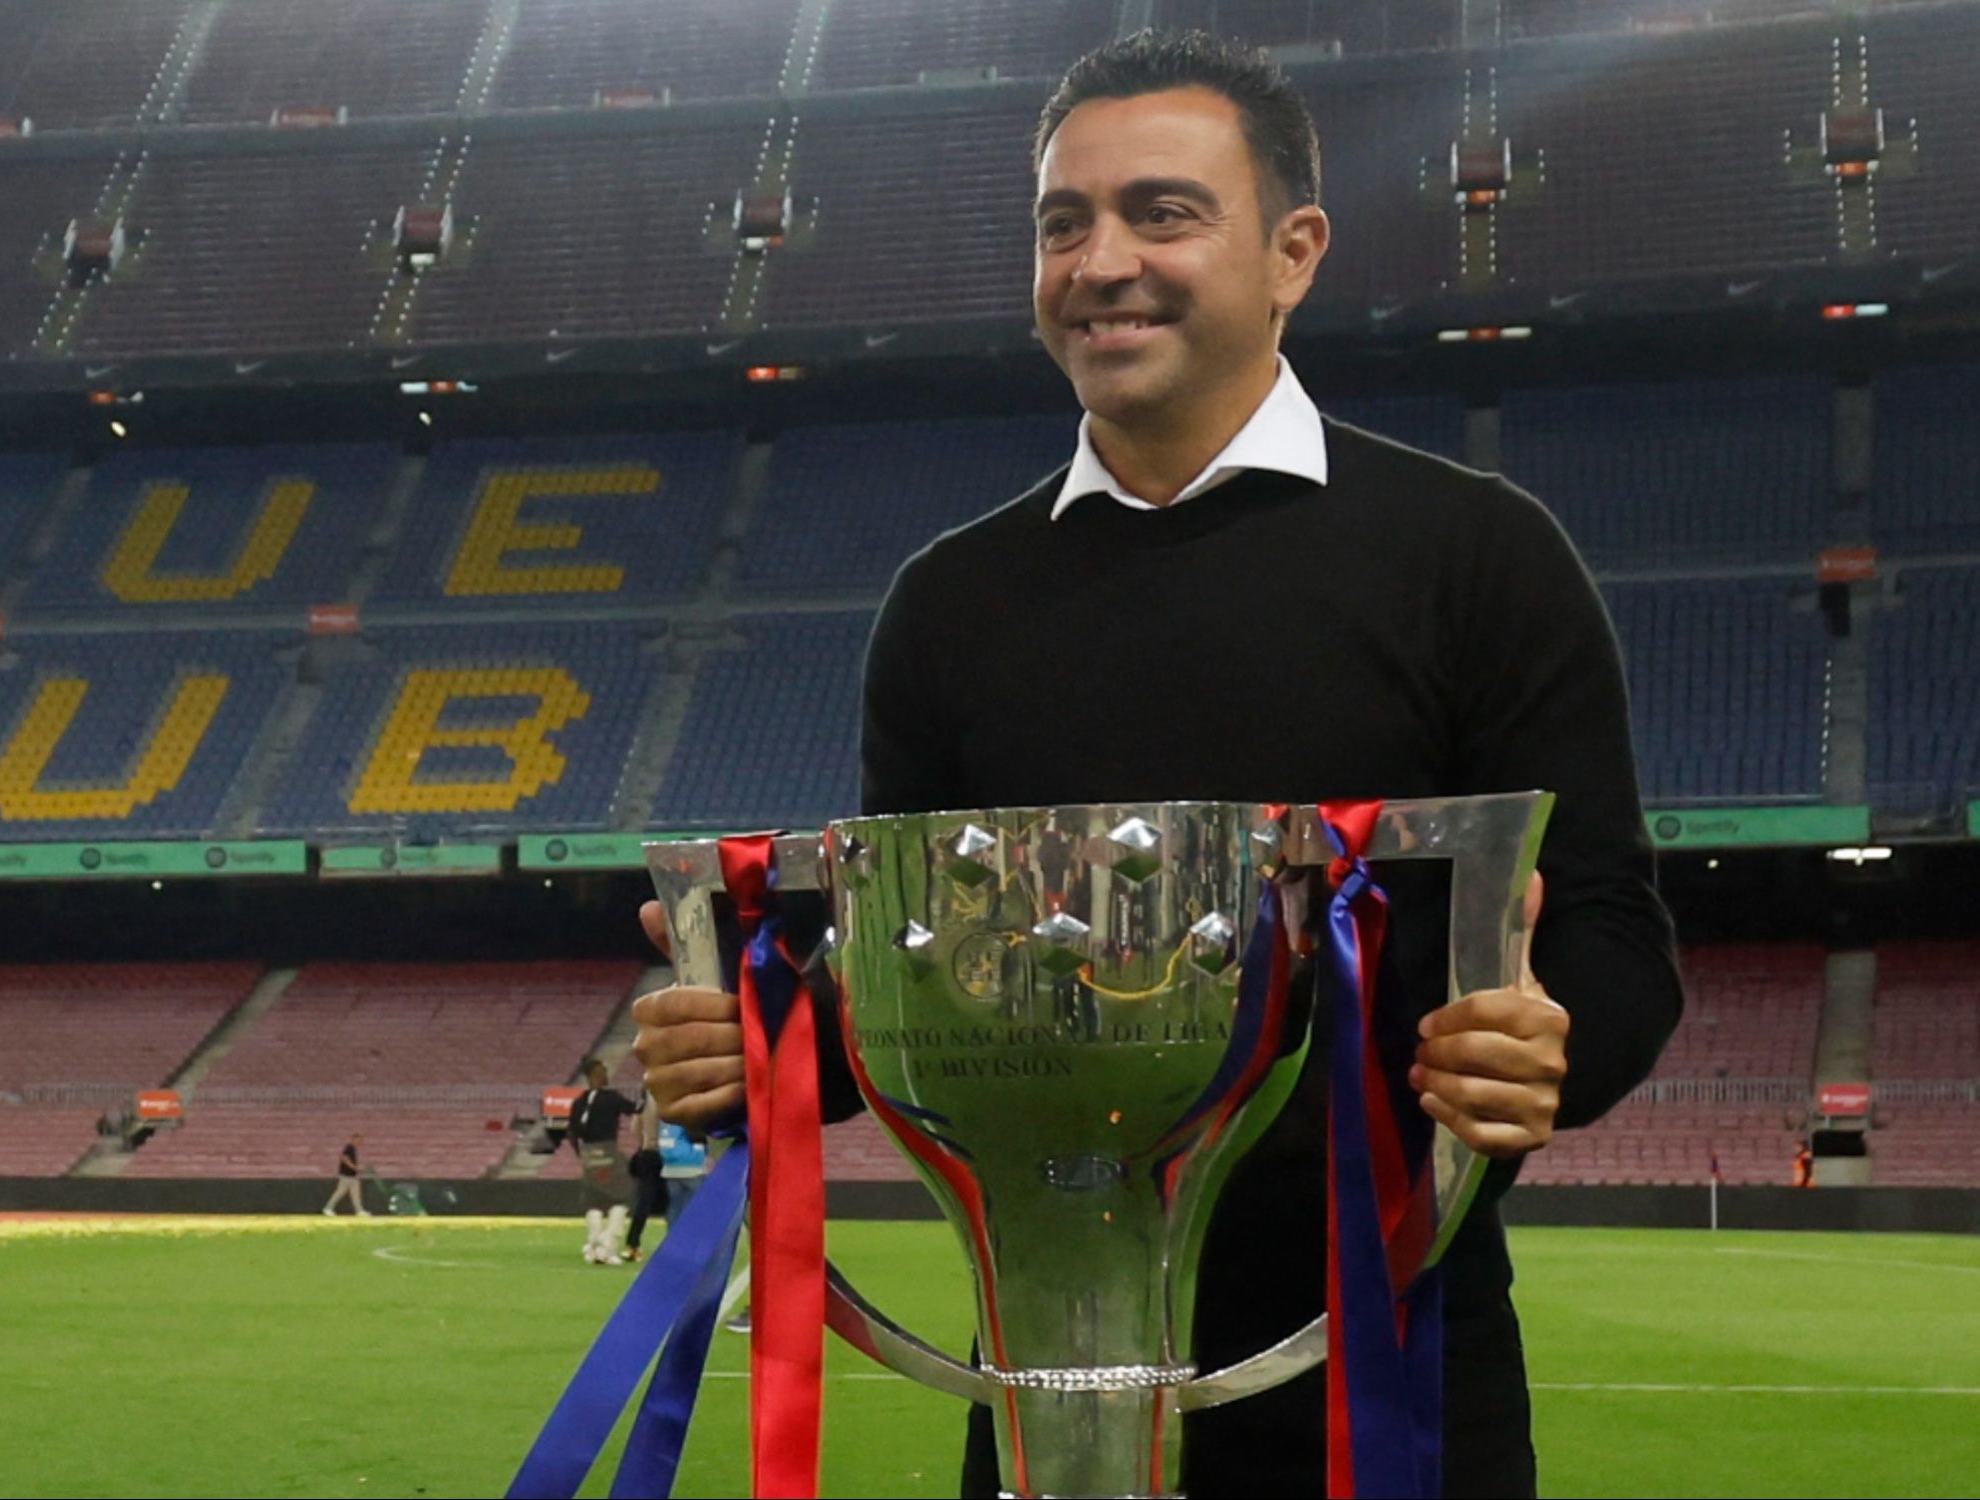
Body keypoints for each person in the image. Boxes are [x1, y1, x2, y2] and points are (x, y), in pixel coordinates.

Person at [630, 31, 1683, 1496]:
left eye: (1163, 213)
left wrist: (1549, 1049)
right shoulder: (950, 604)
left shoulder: (1477, 558)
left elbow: (1615, 934)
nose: (1102, 260)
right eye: (1065, 223)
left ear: (1293, 252)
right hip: (1050, 1392)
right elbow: (924, 990)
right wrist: (759, 1052)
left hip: (1389, 1388)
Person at [566, 1059, 639, 1264]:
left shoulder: (580, 1101)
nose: (607, 1075)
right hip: (607, 1151)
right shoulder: (611, 1098)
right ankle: (607, 1245)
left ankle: (592, 1244)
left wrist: (580, 1155)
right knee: (623, 1196)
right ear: (594, 1075)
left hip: (588, 1154)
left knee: (594, 1200)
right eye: (603, 1071)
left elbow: (571, 1132)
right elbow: (635, 1109)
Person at [621, 1112, 667, 1262]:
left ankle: (632, 1243)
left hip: (646, 1153)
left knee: (644, 1201)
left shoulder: (643, 1101)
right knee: (676, 1200)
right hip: (665, 1154)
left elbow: (634, 1127)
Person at [323, 1133, 370, 1216]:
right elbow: (344, 1158)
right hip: (346, 1175)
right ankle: (328, 1208)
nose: (360, 1142)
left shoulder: (353, 1149)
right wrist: (354, 1167)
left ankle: (359, 1211)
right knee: (340, 1192)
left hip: (352, 1176)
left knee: (355, 1194)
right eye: (359, 1140)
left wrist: (355, 1170)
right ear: (354, 1139)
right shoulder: (349, 1147)